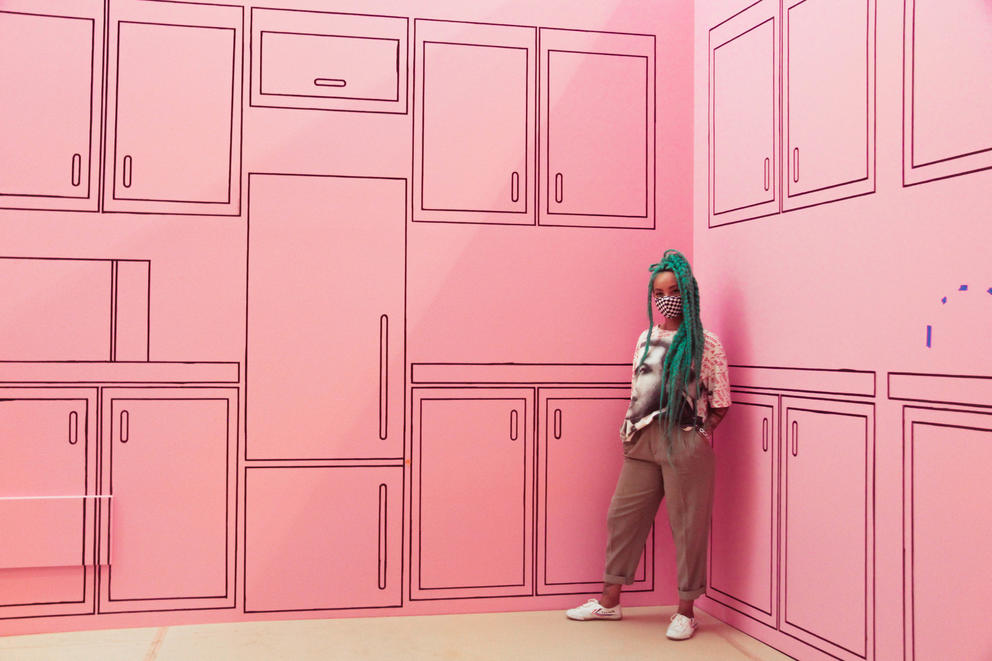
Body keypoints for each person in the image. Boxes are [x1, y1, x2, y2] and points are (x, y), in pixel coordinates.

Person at [565, 249, 730, 641]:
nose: (665, 298)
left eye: (673, 290)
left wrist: (700, 434)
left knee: (687, 527)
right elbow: (638, 389)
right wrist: (630, 427)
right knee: (622, 518)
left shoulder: (706, 343)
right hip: (641, 441)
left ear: (688, 293)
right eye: (658, 291)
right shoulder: (646, 337)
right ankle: (609, 602)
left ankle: (686, 611)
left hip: (684, 443)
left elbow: (721, 401)